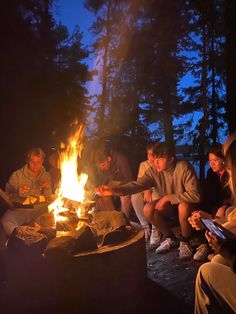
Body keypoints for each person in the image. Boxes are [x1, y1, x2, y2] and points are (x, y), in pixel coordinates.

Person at [96, 142, 201, 260]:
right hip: (169, 207)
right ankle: (170, 238)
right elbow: (137, 185)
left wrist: (167, 198)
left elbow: (195, 195)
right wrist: (113, 190)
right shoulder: (153, 171)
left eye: (160, 158)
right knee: (148, 209)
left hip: (188, 207)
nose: (156, 162)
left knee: (183, 207)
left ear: (171, 159)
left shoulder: (183, 167)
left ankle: (185, 241)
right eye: (155, 158)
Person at [194, 133, 236, 313]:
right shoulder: (212, 177)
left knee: (206, 272)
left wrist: (227, 247)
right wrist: (210, 221)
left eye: (227, 161)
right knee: (218, 259)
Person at [192, 144, 232, 261]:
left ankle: (219, 249)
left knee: (220, 211)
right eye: (210, 160)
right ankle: (207, 244)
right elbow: (210, 193)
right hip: (217, 203)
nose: (212, 163)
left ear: (224, 160)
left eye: (215, 160)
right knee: (200, 211)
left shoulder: (230, 174)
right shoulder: (211, 173)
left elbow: (229, 196)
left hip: (227, 205)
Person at [1, 147, 52, 236]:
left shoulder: (46, 176)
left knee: (56, 217)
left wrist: (47, 188)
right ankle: (23, 237)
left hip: (40, 210)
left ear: (42, 161)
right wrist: (17, 193)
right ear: (27, 160)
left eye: (38, 162)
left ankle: (38, 234)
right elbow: (7, 197)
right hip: (22, 210)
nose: (35, 165)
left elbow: (49, 198)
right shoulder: (17, 175)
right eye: (32, 162)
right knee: (5, 221)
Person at [131, 142, 162, 247]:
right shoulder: (144, 165)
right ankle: (145, 227)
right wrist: (146, 189)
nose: (151, 157)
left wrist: (149, 189)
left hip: (159, 192)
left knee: (155, 195)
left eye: (153, 154)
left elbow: (161, 184)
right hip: (146, 190)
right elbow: (140, 182)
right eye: (149, 154)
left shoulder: (160, 164)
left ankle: (155, 227)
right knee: (135, 196)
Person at [94, 145, 134, 218]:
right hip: (113, 182)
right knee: (102, 194)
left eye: (103, 165)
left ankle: (124, 220)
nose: (102, 168)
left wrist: (115, 189)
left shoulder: (121, 159)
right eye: (100, 166)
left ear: (109, 159)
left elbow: (130, 178)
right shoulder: (105, 163)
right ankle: (113, 218)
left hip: (126, 182)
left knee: (124, 195)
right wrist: (100, 186)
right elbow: (106, 179)